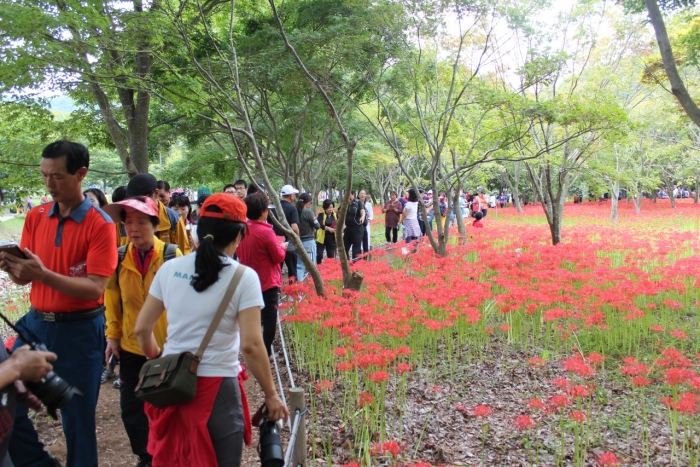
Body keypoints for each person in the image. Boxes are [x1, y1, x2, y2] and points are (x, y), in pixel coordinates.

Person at [134, 193, 289, 467]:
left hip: (170, 386)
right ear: (240, 234)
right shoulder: (243, 277)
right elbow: (251, 346)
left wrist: (158, 359)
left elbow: (142, 330)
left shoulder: (170, 269)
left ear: (198, 228)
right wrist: (271, 394)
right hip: (218, 389)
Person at [0, 140, 118, 467]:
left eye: (57, 177)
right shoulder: (36, 216)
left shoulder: (100, 224)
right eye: (44, 176)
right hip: (36, 323)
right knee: (9, 401)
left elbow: (95, 288)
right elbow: (27, 279)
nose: (49, 184)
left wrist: (42, 273)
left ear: (81, 174)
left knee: (78, 419)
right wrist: (15, 268)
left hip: (80, 331)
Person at [103, 196, 183, 467]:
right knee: (132, 409)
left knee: (168, 406)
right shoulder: (120, 256)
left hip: (166, 348)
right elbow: (113, 301)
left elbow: (185, 303)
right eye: (128, 223)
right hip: (131, 346)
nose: (133, 229)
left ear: (155, 224)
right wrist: (112, 336)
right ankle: (146, 457)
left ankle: (169, 455)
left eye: (140, 222)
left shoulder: (172, 256)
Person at [237, 192, 287, 356]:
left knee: (253, 318)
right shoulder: (266, 232)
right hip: (267, 282)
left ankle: (251, 347)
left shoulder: (242, 230)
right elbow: (278, 257)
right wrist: (282, 247)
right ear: (264, 211)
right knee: (270, 318)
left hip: (247, 281)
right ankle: (264, 352)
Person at [116, 174, 192, 255]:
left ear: (156, 193)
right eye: (133, 201)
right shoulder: (121, 220)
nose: (138, 205)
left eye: (142, 200)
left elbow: (184, 254)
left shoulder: (174, 220)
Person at [277, 185, 300, 282]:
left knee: (277, 270)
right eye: (294, 194)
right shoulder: (292, 209)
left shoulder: (274, 208)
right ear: (291, 196)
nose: (294, 196)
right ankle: (293, 293)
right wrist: (297, 238)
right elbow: (294, 227)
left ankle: (277, 291)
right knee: (292, 269)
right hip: (289, 243)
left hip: (276, 242)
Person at [295, 193, 319, 279]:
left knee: (299, 266)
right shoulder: (308, 212)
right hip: (308, 241)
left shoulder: (295, 211)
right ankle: (313, 285)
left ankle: (300, 288)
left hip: (298, 242)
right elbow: (317, 225)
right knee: (312, 266)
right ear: (308, 202)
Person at [343, 190, 365, 260]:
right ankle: (347, 264)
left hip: (357, 229)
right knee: (344, 248)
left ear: (353, 195)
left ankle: (355, 266)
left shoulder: (358, 202)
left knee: (356, 250)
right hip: (348, 229)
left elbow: (362, 211)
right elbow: (339, 212)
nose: (347, 197)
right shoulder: (345, 203)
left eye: (349, 195)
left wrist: (362, 217)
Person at [315, 200, 337, 264]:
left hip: (331, 238)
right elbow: (320, 225)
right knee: (319, 255)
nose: (331, 209)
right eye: (329, 207)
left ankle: (329, 269)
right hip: (321, 238)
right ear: (325, 208)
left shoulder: (335, 215)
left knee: (331, 256)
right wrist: (328, 228)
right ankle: (318, 267)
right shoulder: (321, 215)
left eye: (332, 207)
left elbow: (338, 223)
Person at [359, 190, 373, 255]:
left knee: (366, 240)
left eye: (364, 194)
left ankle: (365, 255)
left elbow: (371, 215)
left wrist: (367, 221)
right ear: (358, 195)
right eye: (361, 194)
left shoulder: (368, 204)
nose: (362, 195)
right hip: (358, 225)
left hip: (366, 225)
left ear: (366, 195)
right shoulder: (357, 203)